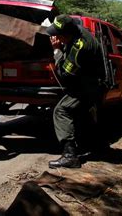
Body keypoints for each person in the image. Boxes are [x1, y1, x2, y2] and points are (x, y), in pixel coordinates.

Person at [45, 14, 104, 169]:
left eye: (57, 35)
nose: (55, 37)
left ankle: (70, 156)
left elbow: (65, 73)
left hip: (88, 86)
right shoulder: (78, 30)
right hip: (91, 82)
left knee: (62, 111)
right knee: (82, 115)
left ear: (66, 34)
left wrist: (57, 51)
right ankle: (93, 146)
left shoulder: (80, 46)